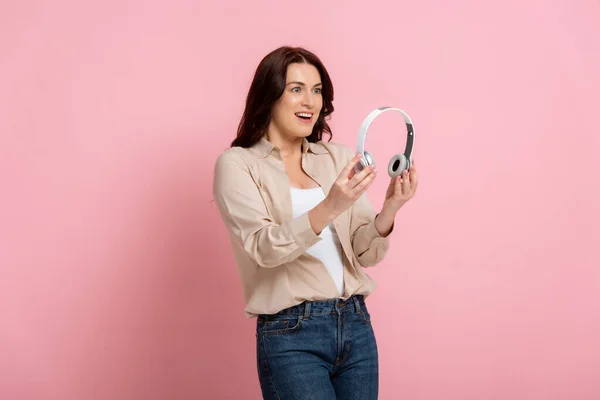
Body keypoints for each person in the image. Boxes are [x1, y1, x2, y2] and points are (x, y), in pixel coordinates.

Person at [212, 46, 418, 400]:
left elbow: (364, 252)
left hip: (355, 324)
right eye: (296, 89)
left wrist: (390, 208)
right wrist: (331, 204)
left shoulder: (337, 158)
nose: (310, 100)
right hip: (291, 334)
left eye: (317, 89)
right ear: (269, 95)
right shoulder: (238, 164)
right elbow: (264, 248)